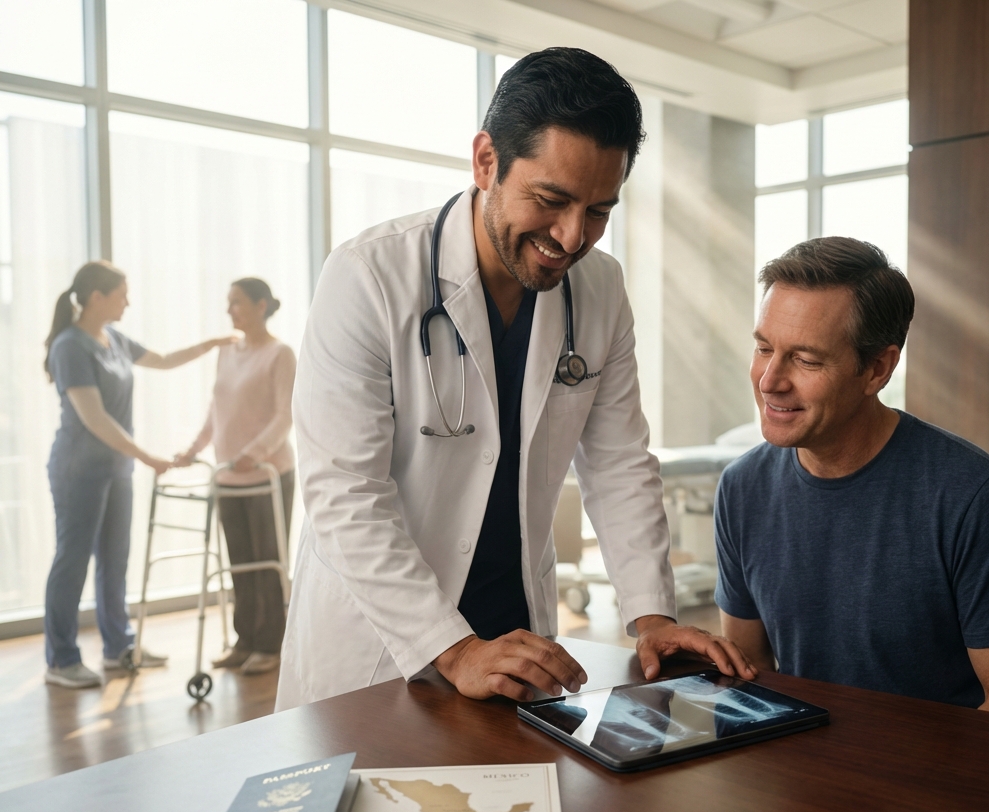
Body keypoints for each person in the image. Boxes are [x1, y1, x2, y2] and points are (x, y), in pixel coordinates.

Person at [276, 47, 754, 711]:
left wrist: (652, 618)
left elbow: (617, 465)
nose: (570, 235)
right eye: (552, 200)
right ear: (485, 162)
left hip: (518, 644)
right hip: (383, 647)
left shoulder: (600, 290)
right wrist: (455, 648)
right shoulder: (369, 278)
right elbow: (344, 492)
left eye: (598, 211)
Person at [715, 237, 989, 720]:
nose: (769, 379)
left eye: (806, 359)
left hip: (935, 777)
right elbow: (749, 671)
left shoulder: (970, 494)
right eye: (763, 348)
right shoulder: (741, 487)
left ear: (877, 368)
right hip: (801, 768)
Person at [43, 260, 235, 688]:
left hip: (116, 468)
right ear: (98, 297)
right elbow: (94, 419)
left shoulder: (112, 338)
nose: (128, 301)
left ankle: (118, 649)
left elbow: (164, 360)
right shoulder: (71, 346)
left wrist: (215, 342)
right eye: (122, 293)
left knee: (115, 560)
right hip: (79, 471)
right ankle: (62, 659)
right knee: (72, 561)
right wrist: (149, 456)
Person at [177, 278, 296, 676]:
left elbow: (285, 415)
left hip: (266, 474)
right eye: (228, 303)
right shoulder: (227, 352)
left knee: (266, 563)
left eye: (237, 303)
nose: (230, 310)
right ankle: (244, 640)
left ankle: (271, 644)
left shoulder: (280, 354)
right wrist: (193, 449)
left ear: (261, 305)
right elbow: (217, 410)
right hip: (228, 477)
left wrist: (253, 453)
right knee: (238, 563)